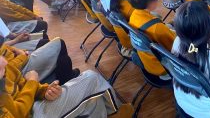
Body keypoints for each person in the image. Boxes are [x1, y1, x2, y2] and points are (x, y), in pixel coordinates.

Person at [0, 53, 131, 117]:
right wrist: (32, 82)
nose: (4, 61)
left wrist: (44, 91)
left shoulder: (5, 68)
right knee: (92, 78)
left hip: (30, 103)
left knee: (93, 102)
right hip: (29, 113)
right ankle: (116, 112)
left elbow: (20, 84)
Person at [128, 0, 176, 78]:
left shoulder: (133, 15)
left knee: (172, 24)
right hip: (164, 68)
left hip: (148, 62)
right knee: (194, 47)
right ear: (151, 2)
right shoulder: (156, 27)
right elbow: (175, 47)